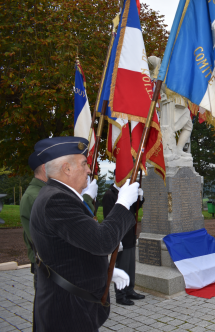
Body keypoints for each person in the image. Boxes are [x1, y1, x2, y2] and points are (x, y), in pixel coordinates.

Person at [29, 136, 139, 331]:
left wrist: (106, 272)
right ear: (67, 169)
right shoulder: (57, 200)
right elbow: (102, 241)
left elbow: (75, 249)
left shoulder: (59, 195)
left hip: (71, 302)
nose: (89, 170)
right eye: (83, 164)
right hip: (66, 311)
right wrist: (122, 204)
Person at [103, 178, 146, 305]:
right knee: (122, 266)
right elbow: (108, 217)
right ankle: (120, 295)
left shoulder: (125, 191)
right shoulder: (110, 195)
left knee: (130, 265)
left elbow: (133, 210)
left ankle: (130, 290)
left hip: (130, 235)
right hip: (120, 236)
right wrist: (116, 239)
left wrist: (139, 198)